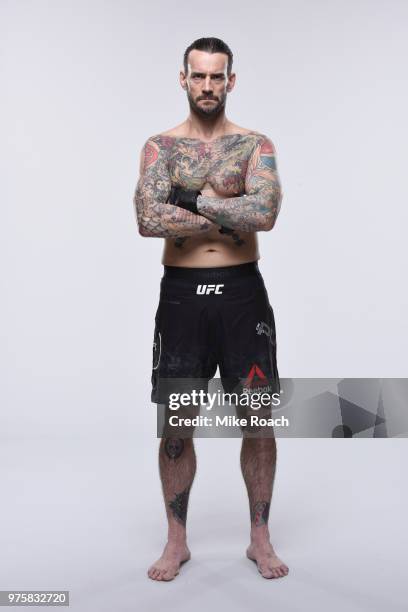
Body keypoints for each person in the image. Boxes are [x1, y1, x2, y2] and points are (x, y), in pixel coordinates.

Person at [133, 37, 288, 581]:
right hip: (181, 298)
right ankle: (177, 542)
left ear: (231, 81)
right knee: (177, 426)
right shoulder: (160, 146)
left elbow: (264, 210)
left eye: (216, 77)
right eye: (197, 77)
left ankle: (259, 539)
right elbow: (148, 219)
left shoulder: (254, 145)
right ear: (183, 79)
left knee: (258, 419)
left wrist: (190, 200)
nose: (206, 87)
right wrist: (228, 212)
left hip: (243, 294)